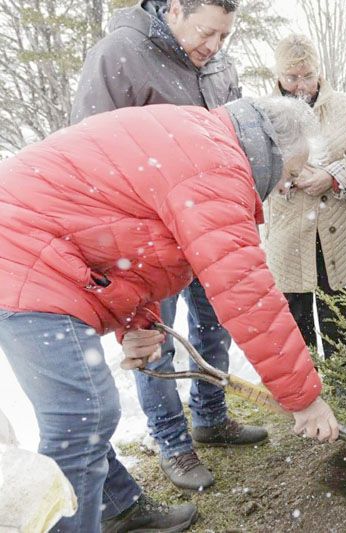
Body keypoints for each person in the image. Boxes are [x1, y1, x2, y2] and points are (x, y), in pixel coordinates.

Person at [0, 96, 339, 532]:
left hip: (33, 249)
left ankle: (115, 507)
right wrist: (303, 399)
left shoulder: (203, 142)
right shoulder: (216, 167)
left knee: (84, 417)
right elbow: (247, 293)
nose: (284, 186)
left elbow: (131, 244)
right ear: (272, 150)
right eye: (289, 173)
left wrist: (137, 324)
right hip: (21, 255)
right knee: (81, 414)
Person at [70, 0, 266, 492]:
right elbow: (86, 152)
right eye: (207, 33)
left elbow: (235, 133)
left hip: (209, 226)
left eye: (224, 36)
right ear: (174, 8)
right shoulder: (120, 55)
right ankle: (173, 443)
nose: (215, 47)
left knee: (213, 326)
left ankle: (211, 416)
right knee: (154, 338)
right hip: (147, 239)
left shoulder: (218, 61)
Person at [265, 35, 346, 373]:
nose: (301, 86)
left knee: (337, 310)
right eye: (292, 77)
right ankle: (306, 388)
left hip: (336, 225)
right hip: (290, 228)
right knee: (295, 315)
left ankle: (344, 385)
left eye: (308, 76)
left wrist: (332, 175)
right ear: (279, 75)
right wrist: (284, 175)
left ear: (319, 72)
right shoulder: (264, 110)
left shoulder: (340, 105)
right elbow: (253, 161)